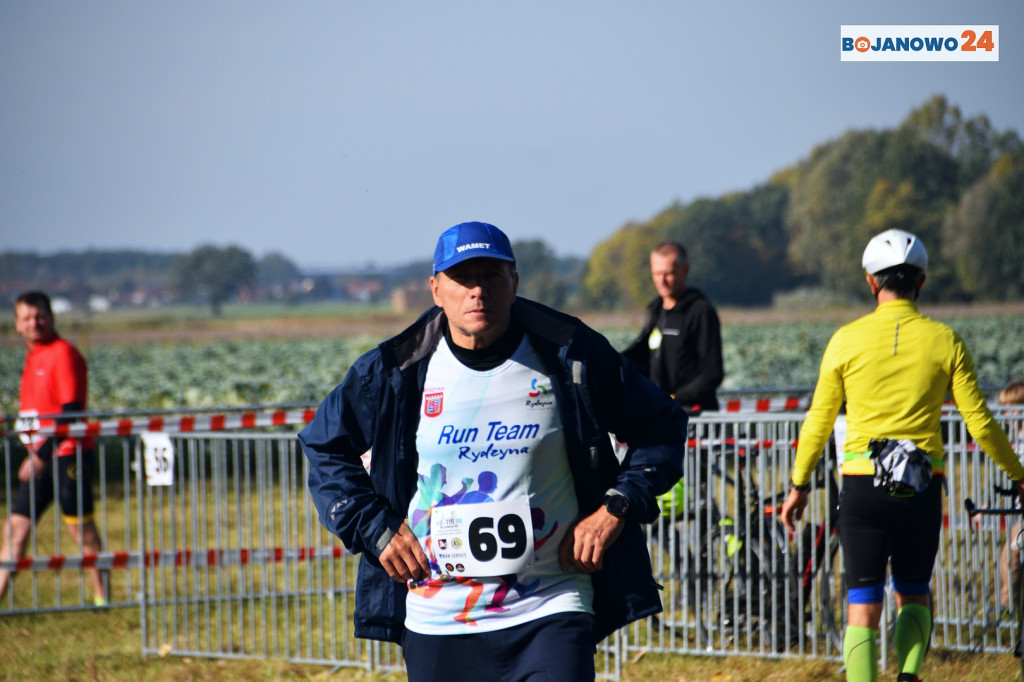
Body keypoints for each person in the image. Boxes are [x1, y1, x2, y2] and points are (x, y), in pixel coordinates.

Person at [299, 221, 687, 681]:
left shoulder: (571, 354)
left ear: (515, 283)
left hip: (552, 605)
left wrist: (616, 507)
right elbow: (324, 446)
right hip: (438, 614)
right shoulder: (393, 370)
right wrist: (375, 528)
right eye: (463, 278)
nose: (477, 291)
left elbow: (662, 424)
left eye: (492, 276)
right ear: (436, 289)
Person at [779, 230, 1024, 682]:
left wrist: (798, 486)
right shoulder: (945, 340)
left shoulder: (845, 340)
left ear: (872, 283)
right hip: (922, 485)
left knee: (862, 603)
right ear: (922, 282)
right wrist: (1019, 472)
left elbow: (817, 421)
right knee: (913, 592)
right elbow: (981, 423)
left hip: (861, 486)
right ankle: (909, 675)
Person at [0, 291, 105, 605]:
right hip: (39, 457)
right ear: (17, 325)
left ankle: (104, 599)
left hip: (68, 454)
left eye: (40, 316)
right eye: (27, 318)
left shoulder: (63, 354)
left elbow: (71, 411)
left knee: (80, 531)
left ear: (51, 317)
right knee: (15, 530)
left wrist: (39, 456)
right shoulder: (32, 357)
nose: (35, 323)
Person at [623, 241, 724, 413]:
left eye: (668, 274)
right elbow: (641, 358)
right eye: (656, 274)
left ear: (685, 271)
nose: (662, 281)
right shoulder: (655, 310)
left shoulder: (700, 311)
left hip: (695, 417)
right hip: (662, 414)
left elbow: (712, 373)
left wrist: (675, 399)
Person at [997, 380, 1024, 618]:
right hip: (1021, 511)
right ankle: (1009, 608)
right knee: (1010, 555)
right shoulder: (1017, 438)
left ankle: (1009, 609)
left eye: (1012, 409)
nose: (1006, 415)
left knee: (1011, 555)